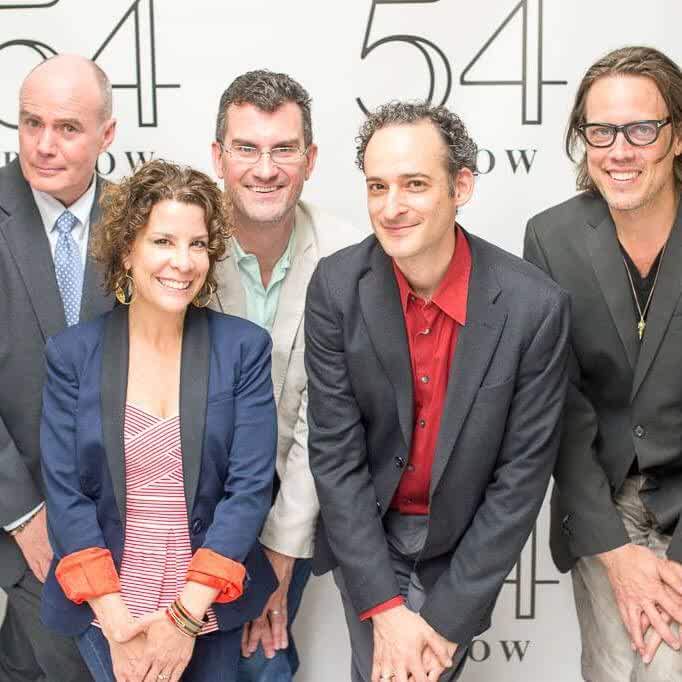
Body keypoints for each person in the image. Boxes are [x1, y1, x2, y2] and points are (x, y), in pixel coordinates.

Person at [305, 101, 570, 682]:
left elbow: (521, 479)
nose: (391, 207)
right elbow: (336, 457)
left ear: (462, 186)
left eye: (415, 184)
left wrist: (446, 622)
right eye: (378, 186)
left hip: (461, 542)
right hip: (370, 534)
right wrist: (385, 610)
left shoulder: (534, 307)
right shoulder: (336, 287)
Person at [39, 159, 278, 682]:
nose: (183, 262)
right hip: (107, 613)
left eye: (198, 244)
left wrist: (184, 619)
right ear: (128, 249)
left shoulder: (243, 349)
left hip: (206, 606)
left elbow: (249, 490)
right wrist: (115, 622)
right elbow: (64, 493)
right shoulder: (73, 354)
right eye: (163, 241)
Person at [524, 46, 682, 681]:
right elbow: (558, 407)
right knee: (615, 670)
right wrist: (614, 551)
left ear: (677, 137)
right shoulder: (551, 237)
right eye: (601, 131)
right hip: (600, 497)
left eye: (642, 129)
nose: (620, 151)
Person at [210, 69, 359, 681]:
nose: (265, 169)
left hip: (294, 497)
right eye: (246, 148)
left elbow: (327, 417)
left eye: (284, 149)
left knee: (261, 656)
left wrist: (278, 556)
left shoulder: (351, 254)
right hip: (189, 505)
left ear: (311, 159)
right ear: (218, 157)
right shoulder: (182, 244)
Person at [0, 54, 116, 681]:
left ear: (107, 134)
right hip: (18, 522)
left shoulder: (142, 223)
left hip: (121, 537)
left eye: (67, 128)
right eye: (30, 123)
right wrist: (23, 518)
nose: (43, 145)